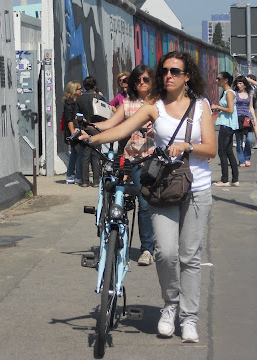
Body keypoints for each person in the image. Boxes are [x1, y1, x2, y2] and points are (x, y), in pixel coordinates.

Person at [80, 51, 216, 343]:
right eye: (165, 71)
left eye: (175, 72)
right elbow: (121, 128)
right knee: (166, 254)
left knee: (189, 257)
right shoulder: (154, 105)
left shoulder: (201, 106)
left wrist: (186, 147)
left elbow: (211, 148)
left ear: (187, 76)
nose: (168, 76)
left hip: (197, 188)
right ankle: (170, 306)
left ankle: (188, 318)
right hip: (163, 187)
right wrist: (89, 137)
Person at [92, 65, 155, 266]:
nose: (141, 83)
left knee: (162, 203)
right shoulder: (128, 104)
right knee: (143, 204)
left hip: (158, 159)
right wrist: (88, 128)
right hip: (136, 160)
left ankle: (162, 243)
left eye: (145, 79)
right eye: (138, 80)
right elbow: (111, 124)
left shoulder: (160, 104)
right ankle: (147, 249)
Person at [210, 72, 239, 186]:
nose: (216, 81)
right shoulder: (227, 92)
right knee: (228, 152)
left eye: (218, 79)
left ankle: (224, 179)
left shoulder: (229, 93)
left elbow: (231, 109)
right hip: (228, 124)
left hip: (227, 125)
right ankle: (234, 179)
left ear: (225, 80)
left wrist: (217, 107)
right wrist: (219, 109)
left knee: (222, 152)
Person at [77, 76, 106, 187]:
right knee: (96, 155)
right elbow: (104, 114)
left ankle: (84, 181)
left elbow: (77, 114)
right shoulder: (99, 98)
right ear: (94, 85)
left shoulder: (80, 98)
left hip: (85, 128)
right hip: (97, 127)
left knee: (85, 156)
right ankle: (95, 181)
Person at [232, 75, 257, 167]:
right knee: (239, 141)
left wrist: (254, 118)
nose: (239, 85)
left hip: (247, 118)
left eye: (240, 83)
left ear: (245, 84)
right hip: (238, 118)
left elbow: (251, 107)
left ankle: (247, 158)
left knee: (249, 140)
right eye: (237, 83)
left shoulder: (249, 93)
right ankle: (241, 160)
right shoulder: (234, 93)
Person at [63, 81, 83, 184]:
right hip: (73, 131)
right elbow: (69, 119)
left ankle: (70, 175)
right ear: (74, 91)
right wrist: (72, 134)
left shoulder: (76, 101)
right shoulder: (69, 103)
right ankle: (77, 176)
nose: (81, 90)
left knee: (74, 153)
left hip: (76, 130)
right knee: (79, 153)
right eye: (79, 89)